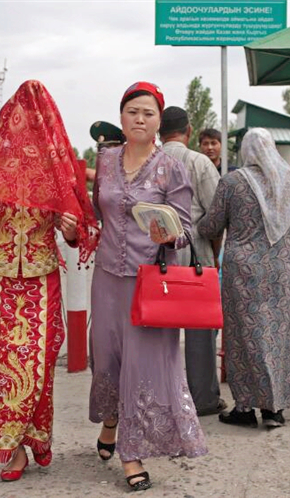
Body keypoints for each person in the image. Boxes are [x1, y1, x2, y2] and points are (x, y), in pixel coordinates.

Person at [0, 80, 99, 481]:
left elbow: (75, 232)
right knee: (6, 365)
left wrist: (69, 231)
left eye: (34, 123)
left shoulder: (56, 171)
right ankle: (14, 448)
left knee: (41, 363)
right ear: (8, 125)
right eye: (20, 122)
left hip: (41, 276)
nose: (26, 130)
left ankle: (38, 438)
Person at [88, 82, 207, 492]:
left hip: (149, 282)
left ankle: (131, 452)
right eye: (133, 111)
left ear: (159, 121)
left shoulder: (170, 166)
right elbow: (96, 212)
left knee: (143, 365)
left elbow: (186, 230)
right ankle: (110, 420)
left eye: (149, 113)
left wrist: (167, 235)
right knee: (106, 358)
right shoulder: (104, 160)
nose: (140, 119)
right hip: (106, 277)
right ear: (122, 116)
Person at [198, 127, 290, 429]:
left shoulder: (233, 182)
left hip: (243, 275)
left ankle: (246, 408)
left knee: (244, 339)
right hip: (280, 275)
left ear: (245, 151)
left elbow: (211, 226)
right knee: (278, 337)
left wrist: (192, 224)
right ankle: (275, 410)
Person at [159, 106, 227, 416]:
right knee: (200, 333)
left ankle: (162, 395)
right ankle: (203, 400)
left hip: (157, 259)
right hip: (197, 256)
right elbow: (215, 217)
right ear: (188, 131)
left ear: (160, 132)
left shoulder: (150, 160)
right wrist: (214, 253)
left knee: (159, 329)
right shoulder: (200, 163)